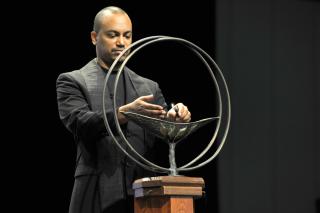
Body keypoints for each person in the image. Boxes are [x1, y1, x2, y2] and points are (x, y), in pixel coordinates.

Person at [56, 6, 191, 213]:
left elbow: (165, 132)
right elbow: (80, 122)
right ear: (94, 37)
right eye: (113, 35)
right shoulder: (73, 81)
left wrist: (176, 121)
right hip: (95, 192)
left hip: (144, 194)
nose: (122, 42)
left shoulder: (148, 87)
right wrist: (125, 113)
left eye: (127, 36)